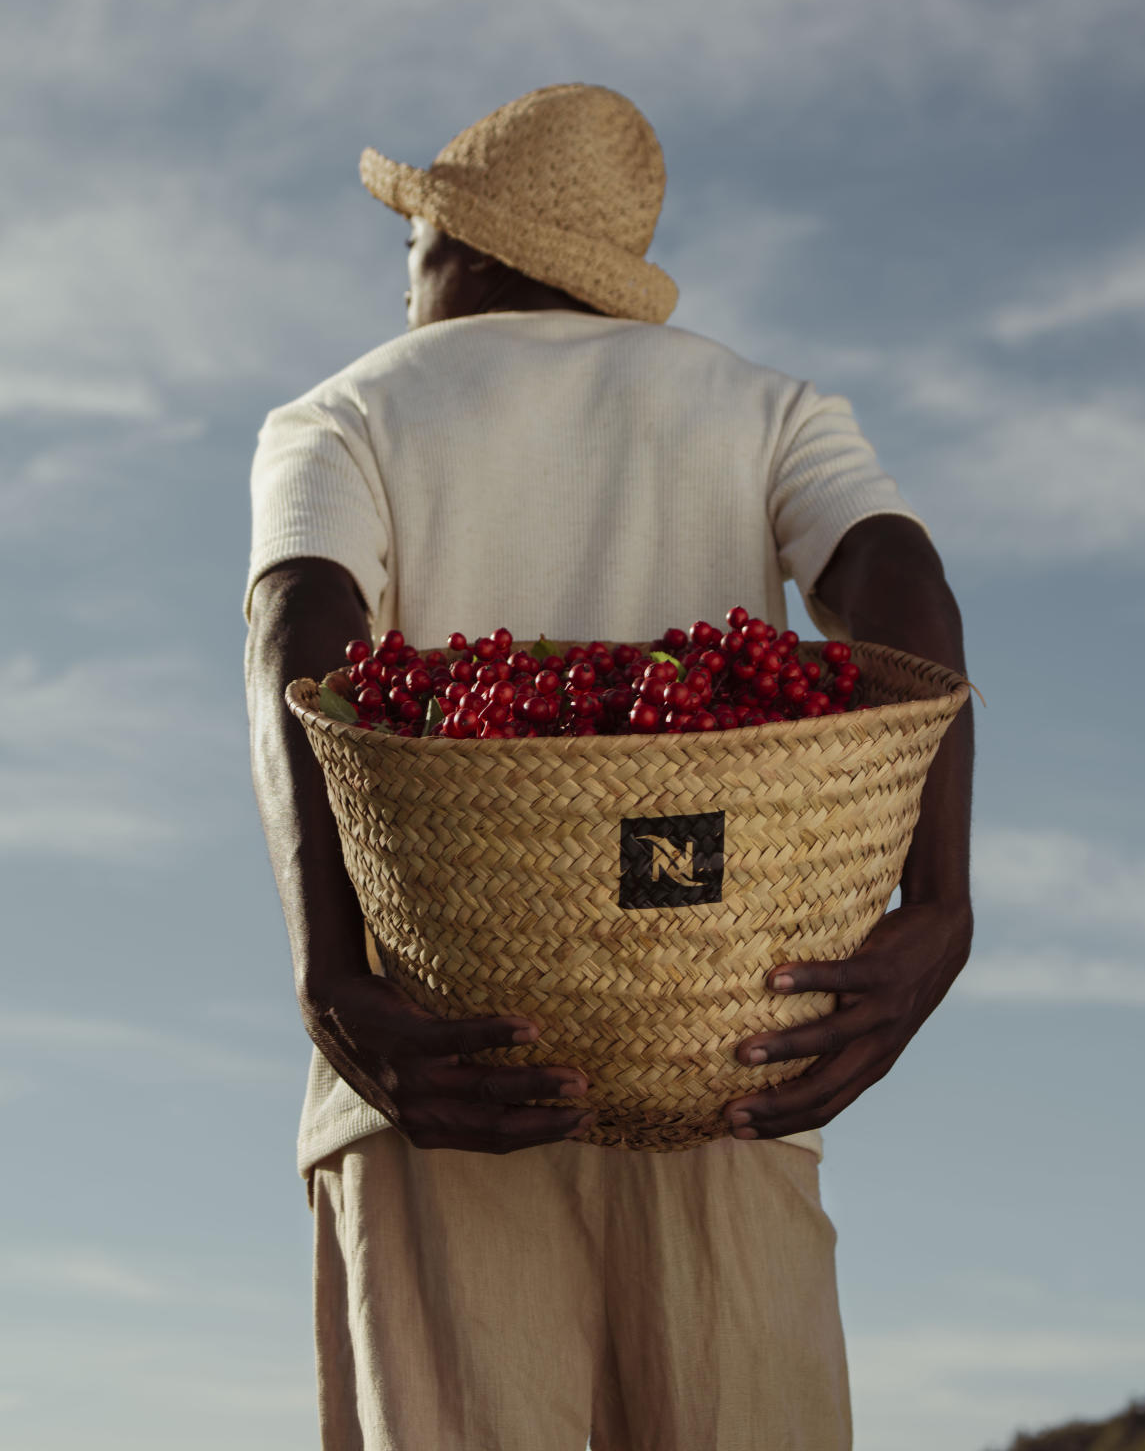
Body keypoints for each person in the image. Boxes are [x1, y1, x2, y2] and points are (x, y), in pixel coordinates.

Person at [243, 83, 974, 1451]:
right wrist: (938, 907)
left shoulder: (341, 415)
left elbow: (301, 638)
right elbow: (905, 593)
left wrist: (333, 977)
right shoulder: (764, 407)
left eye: (411, 243)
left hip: (438, 1072)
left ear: (454, 247)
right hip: (735, 1062)